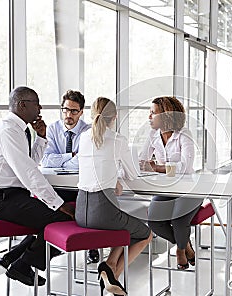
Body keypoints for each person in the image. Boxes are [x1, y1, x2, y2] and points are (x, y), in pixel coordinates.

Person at [0, 86, 74, 286]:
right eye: (36, 103)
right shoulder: (9, 130)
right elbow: (28, 173)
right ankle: (22, 265)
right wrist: (57, 203)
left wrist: (42, 137)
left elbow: (30, 162)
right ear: (22, 105)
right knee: (62, 219)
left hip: (8, 197)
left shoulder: (18, 129)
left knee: (53, 218)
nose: (40, 108)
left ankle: (14, 258)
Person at [75, 97, 152, 295]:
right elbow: (133, 175)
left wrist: (113, 179)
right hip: (103, 211)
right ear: (115, 117)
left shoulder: (83, 138)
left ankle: (109, 267)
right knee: (145, 234)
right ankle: (112, 274)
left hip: (81, 211)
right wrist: (116, 178)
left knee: (124, 226)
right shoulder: (118, 140)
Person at [139, 96, 202, 270]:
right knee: (154, 221)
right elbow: (142, 161)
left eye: (153, 113)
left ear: (166, 115)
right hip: (167, 189)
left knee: (179, 219)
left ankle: (180, 250)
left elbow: (185, 166)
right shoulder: (153, 135)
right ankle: (185, 244)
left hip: (191, 189)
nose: (149, 116)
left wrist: (158, 168)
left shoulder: (184, 134)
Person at [41, 90, 99, 263]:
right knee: (48, 205)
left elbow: (84, 162)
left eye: (74, 111)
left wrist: (65, 160)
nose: (68, 114)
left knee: (88, 204)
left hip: (81, 186)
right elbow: (45, 161)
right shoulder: (52, 129)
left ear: (81, 112)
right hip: (58, 186)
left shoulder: (88, 131)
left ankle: (91, 245)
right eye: (65, 110)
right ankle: (53, 244)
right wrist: (71, 156)